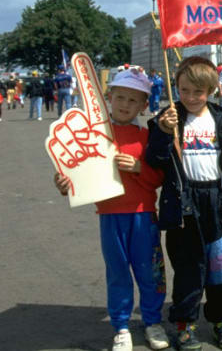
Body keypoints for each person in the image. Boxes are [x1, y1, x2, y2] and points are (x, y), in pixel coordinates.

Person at [53, 68, 169, 351]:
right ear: (109, 98)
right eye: (120, 97)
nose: (125, 105)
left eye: (133, 100)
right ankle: (121, 326)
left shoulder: (147, 135)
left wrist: (140, 167)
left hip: (143, 214)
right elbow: (75, 173)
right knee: (117, 272)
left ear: (144, 105)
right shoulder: (93, 135)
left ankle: (152, 321)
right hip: (109, 215)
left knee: (149, 271)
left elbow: (160, 179)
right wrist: (64, 182)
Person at [146, 56, 222, 351]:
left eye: (198, 92)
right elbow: (153, 160)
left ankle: (221, 320)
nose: (191, 97)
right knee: (188, 268)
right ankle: (185, 324)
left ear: (211, 90)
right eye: (184, 90)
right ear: (176, 88)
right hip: (183, 204)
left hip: (216, 203)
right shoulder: (168, 119)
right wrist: (162, 131)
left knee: (219, 268)